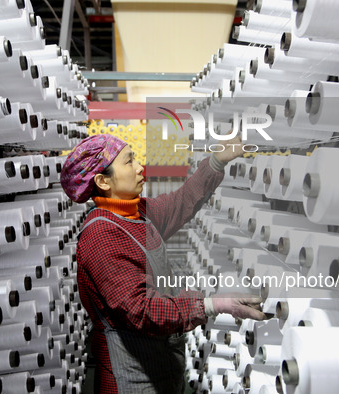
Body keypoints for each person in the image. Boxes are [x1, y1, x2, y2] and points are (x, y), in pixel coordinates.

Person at [60, 134, 265, 393]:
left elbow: (180, 203)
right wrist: (212, 304)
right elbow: (141, 310)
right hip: (130, 379)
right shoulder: (102, 235)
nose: (139, 167)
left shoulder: (136, 213)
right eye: (128, 161)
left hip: (159, 366)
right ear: (102, 181)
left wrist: (216, 162)